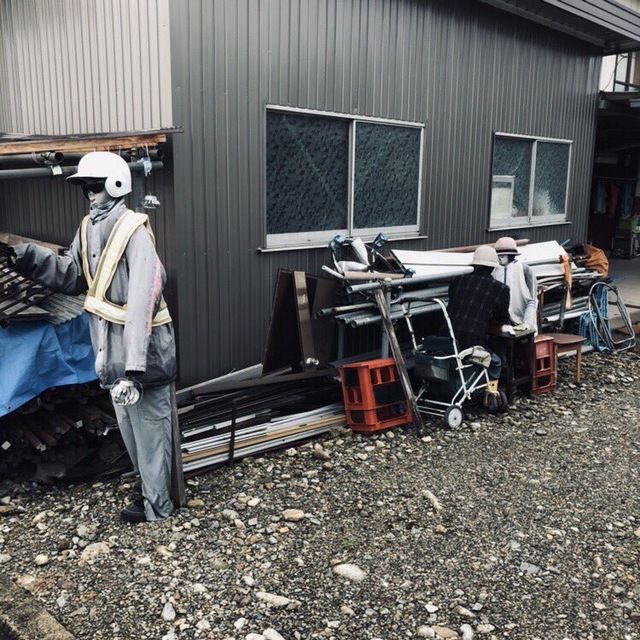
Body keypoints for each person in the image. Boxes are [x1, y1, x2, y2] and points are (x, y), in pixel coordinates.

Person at [7, 151, 176, 524]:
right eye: (85, 188)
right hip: (111, 350)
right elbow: (72, 275)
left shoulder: (134, 230)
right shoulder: (88, 228)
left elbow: (142, 302)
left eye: (94, 187)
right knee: (132, 432)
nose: (89, 195)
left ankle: (158, 508)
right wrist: (28, 257)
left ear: (114, 185)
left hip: (142, 352)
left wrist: (134, 367)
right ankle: (150, 495)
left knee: (151, 432)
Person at [446, 245, 511, 402]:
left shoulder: (456, 280)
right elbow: (501, 318)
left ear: (474, 264)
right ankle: (486, 395)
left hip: (447, 336)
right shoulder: (500, 288)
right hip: (472, 341)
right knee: (496, 362)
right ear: (492, 267)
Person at [492, 236, 538, 332]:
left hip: (520, 321)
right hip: (501, 323)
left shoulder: (524, 270)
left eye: (503, 255)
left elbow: (532, 299)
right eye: (498, 255)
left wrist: (527, 323)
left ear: (511, 255)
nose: (499, 258)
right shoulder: (494, 270)